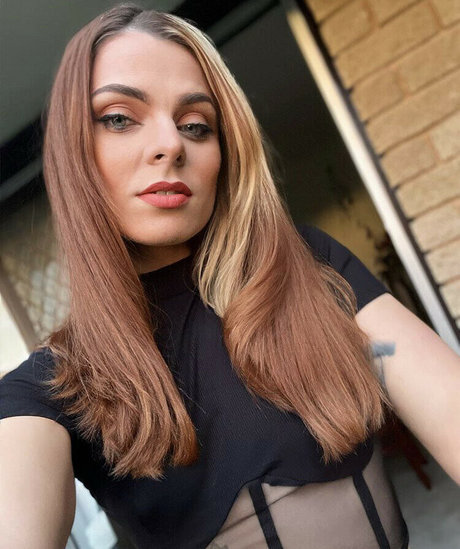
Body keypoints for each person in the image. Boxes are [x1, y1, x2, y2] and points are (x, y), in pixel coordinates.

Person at [0, 4, 459, 549]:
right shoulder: (48, 388)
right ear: (73, 153)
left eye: (196, 125)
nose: (172, 144)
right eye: (119, 118)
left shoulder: (309, 265)